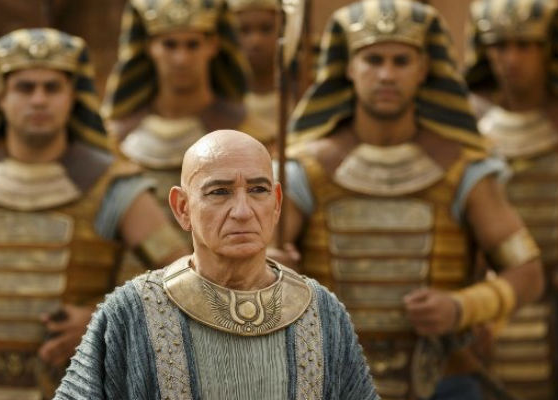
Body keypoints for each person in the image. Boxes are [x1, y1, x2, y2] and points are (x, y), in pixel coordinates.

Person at [0, 28, 188, 400]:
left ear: (72, 96)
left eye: (52, 88)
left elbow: (183, 279)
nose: (39, 100)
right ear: (0, 96)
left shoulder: (113, 186)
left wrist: (104, 319)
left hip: (76, 385)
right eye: (25, 87)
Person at [277, 1, 545, 399]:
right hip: (330, 377)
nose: (387, 74)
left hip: (441, 379)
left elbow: (528, 272)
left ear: (423, 69)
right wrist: (268, 268)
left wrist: (463, 307)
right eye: (373, 60)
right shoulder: (305, 170)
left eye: (401, 61)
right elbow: (256, 259)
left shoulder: (464, 170)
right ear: (349, 67)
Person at [54, 129, 379, 400]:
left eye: (258, 190)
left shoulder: (321, 311)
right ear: (182, 208)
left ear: (277, 203)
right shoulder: (130, 311)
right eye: (219, 192)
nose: (243, 211)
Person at [465, 1, 558, 399]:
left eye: (525, 46)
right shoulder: (466, 124)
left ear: (549, 48)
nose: (512, 59)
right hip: (490, 299)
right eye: (500, 46)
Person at [102, 0, 274, 229]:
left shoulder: (255, 136)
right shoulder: (114, 139)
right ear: (150, 46)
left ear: (212, 45)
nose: (181, 59)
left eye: (192, 45)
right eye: (170, 45)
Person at [228, 0, 280, 133]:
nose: (256, 41)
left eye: (266, 29)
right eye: (244, 30)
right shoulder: (220, 101)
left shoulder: (302, 90)